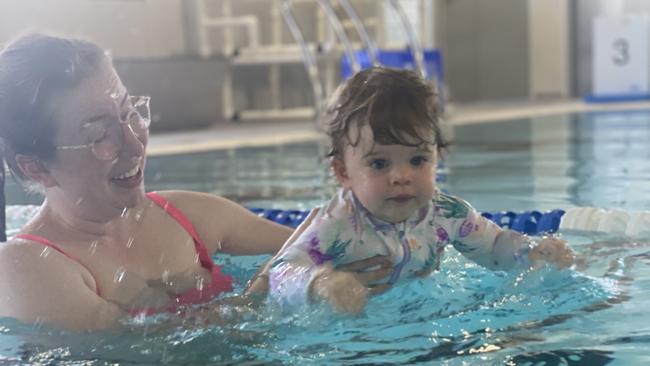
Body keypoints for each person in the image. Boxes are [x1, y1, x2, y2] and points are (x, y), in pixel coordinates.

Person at [0, 34, 391, 331]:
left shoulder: (189, 215)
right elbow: (149, 352)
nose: (134, 144)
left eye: (129, 112)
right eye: (99, 133)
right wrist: (268, 288)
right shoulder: (24, 269)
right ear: (36, 168)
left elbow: (324, 245)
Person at [268, 67, 575, 314]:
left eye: (417, 160)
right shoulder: (336, 224)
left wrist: (531, 251)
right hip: (350, 325)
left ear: (436, 159)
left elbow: (493, 246)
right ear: (343, 172)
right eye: (379, 164)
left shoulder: (446, 214)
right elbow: (281, 271)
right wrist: (321, 283)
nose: (401, 176)